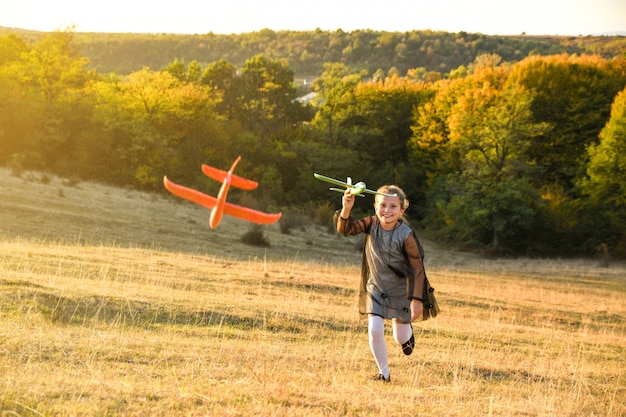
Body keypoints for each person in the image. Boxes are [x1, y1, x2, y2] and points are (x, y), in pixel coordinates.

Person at [335, 185, 426, 383]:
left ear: (402, 210)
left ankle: (407, 335)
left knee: (399, 338)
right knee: (375, 329)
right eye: (382, 205)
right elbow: (346, 229)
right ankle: (383, 374)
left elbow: (418, 268)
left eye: (393, 206)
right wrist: (347, 207)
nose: (387, 210)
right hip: (375, 287)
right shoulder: (371, 224)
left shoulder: (406, 235)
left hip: (401, 290)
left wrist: (417, 300)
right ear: (375, 206)